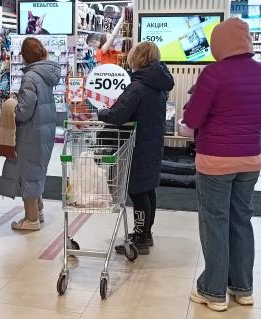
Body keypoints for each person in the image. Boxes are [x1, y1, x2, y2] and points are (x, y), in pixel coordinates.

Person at [184, 18, 261, 312]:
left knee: (215, 222)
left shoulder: (213, 74)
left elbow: (192, 120)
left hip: (215, 161)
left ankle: (213, 291)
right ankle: (243, 289)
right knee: (241, 220)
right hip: (251, 160)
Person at [98, 42, 174, 255]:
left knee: (137, 192)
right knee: (148, 190)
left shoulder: (137, 86)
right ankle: (145, 234)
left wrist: (102, 112)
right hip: (151, 144)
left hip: (138, 147)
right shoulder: (159, 85)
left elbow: (117, 115)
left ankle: (140, 238)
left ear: (137, 58)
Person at [0, 37, 61, 231]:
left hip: (31, 132)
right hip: (45, 130)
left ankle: (31, 219)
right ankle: (39, 211)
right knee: (37, 171)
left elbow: (24, 111)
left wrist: (12, 104)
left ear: (25, 56)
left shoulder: (30, 77)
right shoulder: (47, 74)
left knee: (28, 174)